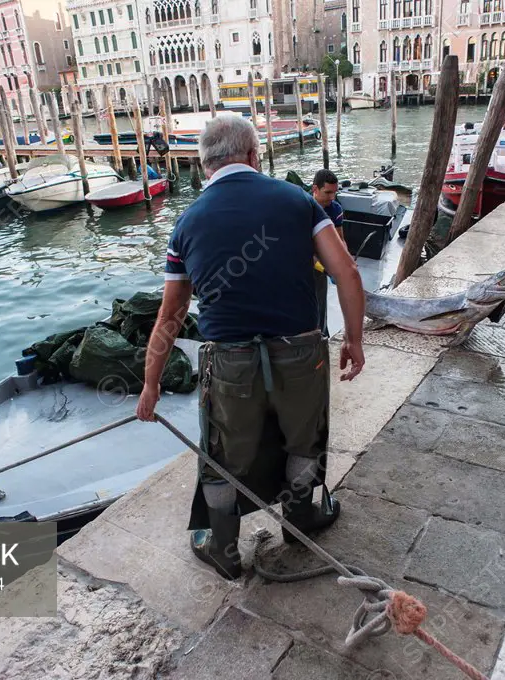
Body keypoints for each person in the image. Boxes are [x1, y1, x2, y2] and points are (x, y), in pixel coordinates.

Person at [135, 115, 367, 580]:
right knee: (304, 437)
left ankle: (223, 547)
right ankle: (300, 519)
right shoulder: (299, 201)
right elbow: (347, 273)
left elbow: (171, 316)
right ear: (254, 156)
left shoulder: (186, 223)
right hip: (302, 351)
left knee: (223, 454)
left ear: (204, 168)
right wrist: (354, 340)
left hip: (230, 361)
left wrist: (151, 384)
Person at [311, 169, 345, 335]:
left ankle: (322, 336)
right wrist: (326, 269)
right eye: (327, 192)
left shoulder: (335, 209)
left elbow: (339, 239)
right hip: (302, 259)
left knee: (320, 302)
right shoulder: (302, 208)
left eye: (334, 192)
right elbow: (305, 249)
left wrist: (345, 264)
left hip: (321, 264)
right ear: (315, 189)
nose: (332, 197)